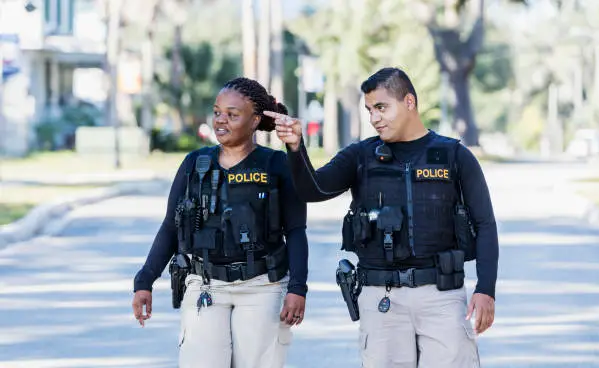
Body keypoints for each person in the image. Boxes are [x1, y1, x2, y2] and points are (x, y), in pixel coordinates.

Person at [268, 67, 498, 368]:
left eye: (381, 107)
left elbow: (485, 224)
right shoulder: (361, 156)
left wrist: (486, 289)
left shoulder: (453, 155)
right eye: (369, 110)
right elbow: (315, 189)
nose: (374, 117)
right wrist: (295, 148)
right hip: (381, 299)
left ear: (409, 102)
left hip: (441, 296)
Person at [132, 77, 309, 368]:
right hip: (205, 285)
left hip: (262, 286)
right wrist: (144, 281)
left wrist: (297, 288)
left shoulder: (275, 164)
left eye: (232, 114)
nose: (220, 121)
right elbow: (170, 227)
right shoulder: (194, 163)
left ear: (254, 121)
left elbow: (296, 231)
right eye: (217, 112)